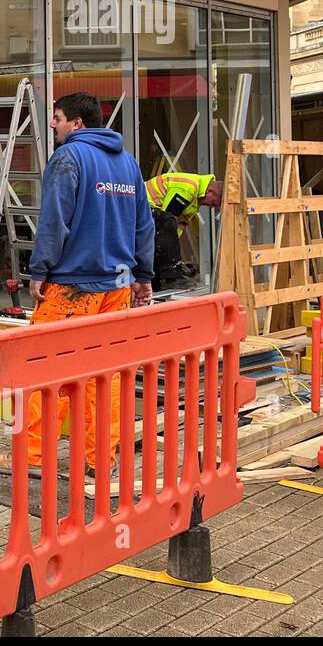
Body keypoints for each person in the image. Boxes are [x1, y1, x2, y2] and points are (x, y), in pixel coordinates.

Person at [25, 92, 154, 476]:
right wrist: (142, 276)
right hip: (115, 287)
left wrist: (39, 269)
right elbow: (143, 224)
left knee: (45, 371)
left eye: (57, 118)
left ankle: (34, 457)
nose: (53, 125)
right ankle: (101, 461)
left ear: (77, 123)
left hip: (71, 288)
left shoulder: (69, 157)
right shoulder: (127, 164)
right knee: (106, 377)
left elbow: (54, 219)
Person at [146, 172, 221, 237]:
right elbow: (167, 218)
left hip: (153, 209)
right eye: (213, 203)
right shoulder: (189, 188)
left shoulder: (195, 202)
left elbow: (180, 225)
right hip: (143, 203)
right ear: (210, 192)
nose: (211, 207)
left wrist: (174, 240)